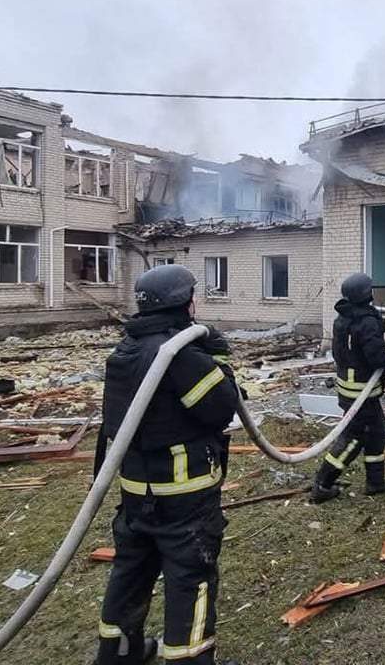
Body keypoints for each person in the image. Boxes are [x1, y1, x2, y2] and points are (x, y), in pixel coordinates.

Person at [93, 264, 244, 665]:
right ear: (182, 301)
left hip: (136, 490)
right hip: (184, 496)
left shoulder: (126, 349)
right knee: (190, 580)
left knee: (131, 572)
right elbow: (219, 409)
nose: (198, 301)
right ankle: (189, 658)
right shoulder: (179, 356)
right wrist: (220, 363)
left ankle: (118, 654)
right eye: (194, 294)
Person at [311, 272, 385, 503]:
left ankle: (375, 483)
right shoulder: (364, 321)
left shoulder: (348, 316)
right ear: (366, 294)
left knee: (378, 433)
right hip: (360, 393)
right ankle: (323, 484)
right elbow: (379, 358)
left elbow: (378, 323)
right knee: (353, 440)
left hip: (353, 390)